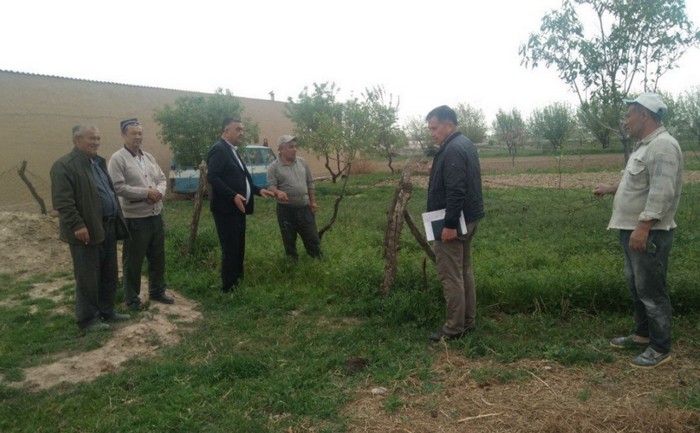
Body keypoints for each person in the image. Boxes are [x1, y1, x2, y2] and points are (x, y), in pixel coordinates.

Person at [593, 93, 683, 369]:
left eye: (629, 114)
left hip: (649, 232)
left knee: (651, 289)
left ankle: (660, 347)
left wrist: (644, 226)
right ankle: (643, 336)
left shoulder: (663, 147)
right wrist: (610, 190)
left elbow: (661, 192)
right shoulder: (645, 146)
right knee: (637, 286)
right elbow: (638, 183)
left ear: (645, 114)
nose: (626, 120)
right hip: (634, 230)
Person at [50, 125, 130, 332]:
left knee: (109, 272)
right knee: (87, 276)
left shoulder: (97, 163)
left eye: (98, 138)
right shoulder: (64, 165)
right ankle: (87, 320)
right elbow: (63, 202)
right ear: (77, 140)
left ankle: (107, 310)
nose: (96, 142)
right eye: (91, 139)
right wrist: (77, 224)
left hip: (108, 227)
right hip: (86, 230)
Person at [425, 105, 484, 342]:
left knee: (451, 276)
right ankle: (467, 321)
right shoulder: (465, 144)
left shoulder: (452, 151)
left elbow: (456, 189)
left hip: (454, 222)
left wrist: (449, 224)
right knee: (464, 271)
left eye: (435, 128)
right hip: (468, 218)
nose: (432, 133)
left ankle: (453, 328)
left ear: (449, 125)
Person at [107, 118, 174, 310]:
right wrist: (146, 193)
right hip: (135, 218)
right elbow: (118, 187)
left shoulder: (148, 157)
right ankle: (132, 298)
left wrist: (159, 192)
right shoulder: (118, 159)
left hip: (155, 215)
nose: (138, 137)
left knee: (157, 256)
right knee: (134, 261)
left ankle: (157, 291)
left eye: (140, 133)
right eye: (133, 133)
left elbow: (161, 178)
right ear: (124, 135)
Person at [207, 117, 275, 292]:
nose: (241, 133)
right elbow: (212, 177)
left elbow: (241, 178)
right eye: (237, 129)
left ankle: (238, 283)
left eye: (242, 130)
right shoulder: (219, 149)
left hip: (238, 208)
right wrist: (232, 196)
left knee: (238, 246)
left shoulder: (232, 150)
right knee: (230, 248)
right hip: (226, 209)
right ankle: (229, 287)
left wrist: (259, 190)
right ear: (226, 131)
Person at [267, 135, 322, 260]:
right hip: (286, 210)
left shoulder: (302, 162)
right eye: (291, 147)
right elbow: (271, 186)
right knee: (289, 239)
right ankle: (292, 264)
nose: (295, 149)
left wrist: (313, 202)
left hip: (304, 208)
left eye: (295, 146)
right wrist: (277, 192)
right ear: (281, 149)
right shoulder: (273, 167)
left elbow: (310, 183)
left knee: (312, 237)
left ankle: (317, 259)